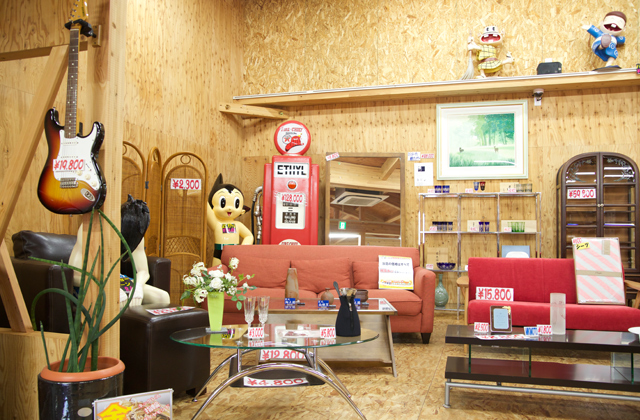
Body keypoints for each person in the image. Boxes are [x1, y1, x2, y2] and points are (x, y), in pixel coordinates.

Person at [69, 195, 170, 308]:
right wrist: (108, 287)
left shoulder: (136, 234)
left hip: (116, 278)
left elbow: (143, 271)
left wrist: (137, 287)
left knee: (162, 296)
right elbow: (74, 276)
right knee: (117, 301)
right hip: (90, 281)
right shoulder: (91, 229)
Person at [207, 174, 254, 266]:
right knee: (216, 272)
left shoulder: (238, 225)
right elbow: (206, 208)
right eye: (223, 203)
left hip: (235, 255)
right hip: (219, 254)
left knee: (234, 273)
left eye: (236, 204)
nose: (229, 208)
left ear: (242, 210)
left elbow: (249, 236)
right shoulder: (216, 224)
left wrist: (242, 250)